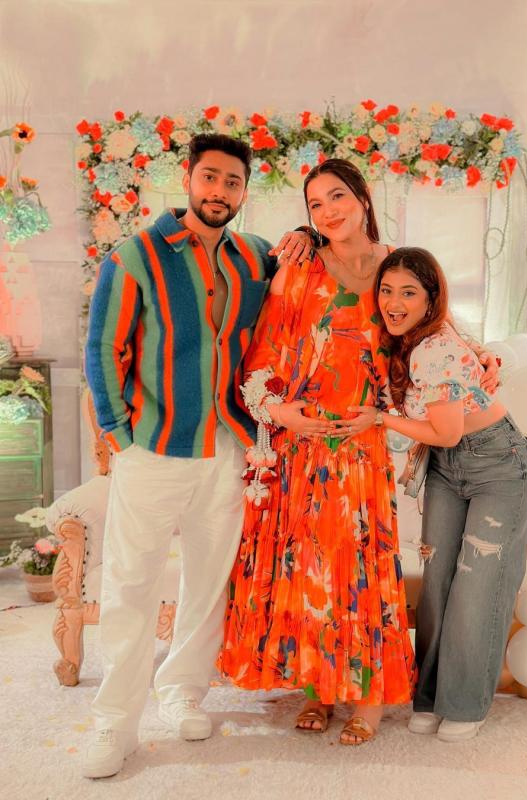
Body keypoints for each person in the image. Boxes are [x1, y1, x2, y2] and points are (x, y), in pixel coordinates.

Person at [218, 160, 498, 745]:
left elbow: (432, 322)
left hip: (362, 439)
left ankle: (367, 697)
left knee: (360, 569)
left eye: (338, 196)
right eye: (315, 204)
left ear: (363, 198)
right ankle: (317, 688)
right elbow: (262, 354)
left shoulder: (395, 267)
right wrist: (280, 412)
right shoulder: (298, 267)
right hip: (302, 441)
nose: (328, 212)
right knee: (308, 569)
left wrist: (482, 355)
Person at [82, 133, 313, 779]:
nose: (219, 191)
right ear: (187, 178)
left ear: (244, 191)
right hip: (153, 449)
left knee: (208, 583)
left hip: (228, 449)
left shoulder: (253, 255)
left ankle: (182, 691)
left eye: (233, 182)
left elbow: (307, 261)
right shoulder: (134, 256)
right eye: (210, 177)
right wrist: (118, 435)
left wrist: (303, 231)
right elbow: (102, 348)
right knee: (131, 584)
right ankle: (113, 722)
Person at [374, 246, 527, 742]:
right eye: (386, 290)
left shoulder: (432, 348)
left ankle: (464, 703)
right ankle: (429, 697)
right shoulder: (401, 338)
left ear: (431, 298)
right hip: (446, 467)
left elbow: (444, 432)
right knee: (437, 582)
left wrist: (379, 418)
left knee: (477, 585)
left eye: (409, 293)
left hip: (498, 464)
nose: (394, 302)